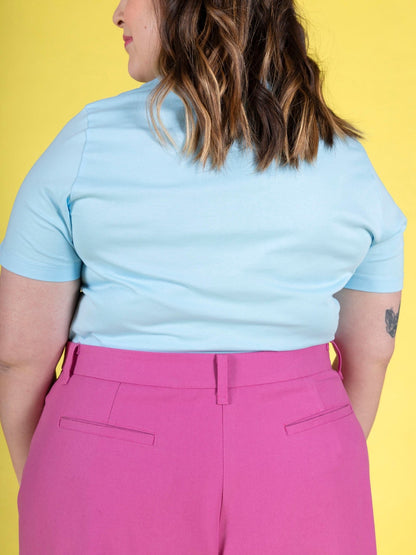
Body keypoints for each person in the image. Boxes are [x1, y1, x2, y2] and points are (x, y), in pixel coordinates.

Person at [0, 0, 407, 553]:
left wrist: (54, 483)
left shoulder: (87, 143)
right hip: (302, 453)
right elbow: (372, 354)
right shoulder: (345, 159)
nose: (118, 13)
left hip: (106, 452)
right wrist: (306, 448)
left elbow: (19, 355)